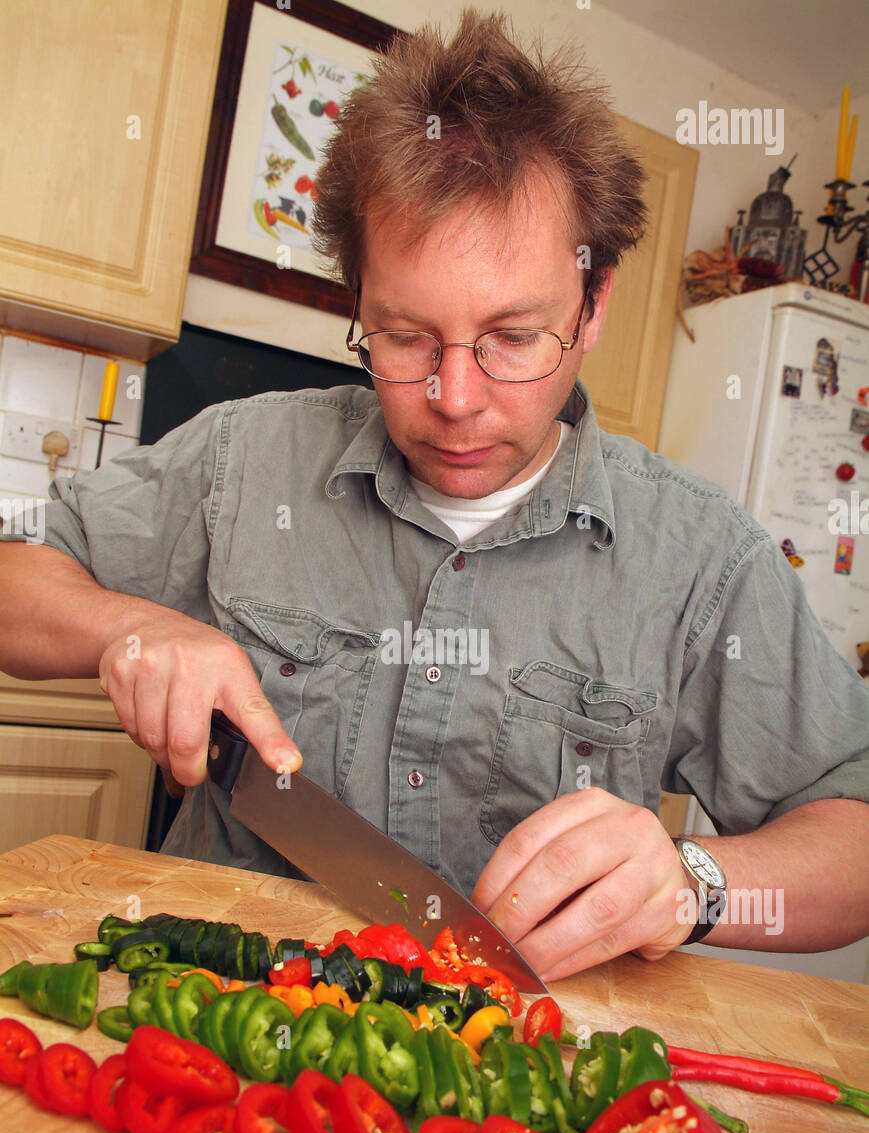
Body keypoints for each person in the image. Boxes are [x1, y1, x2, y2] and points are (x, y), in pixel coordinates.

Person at [1, 10, 868, 981]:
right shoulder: (247, 457)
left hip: (511, 1073)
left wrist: (692, 878)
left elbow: (853, 837)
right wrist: (125, 627)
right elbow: (15, 576)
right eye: (405, 336)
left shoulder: (701, 559)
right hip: (221, 1035)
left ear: (593, 306)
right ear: (356, 303)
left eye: (511, 336)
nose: (452, 400)